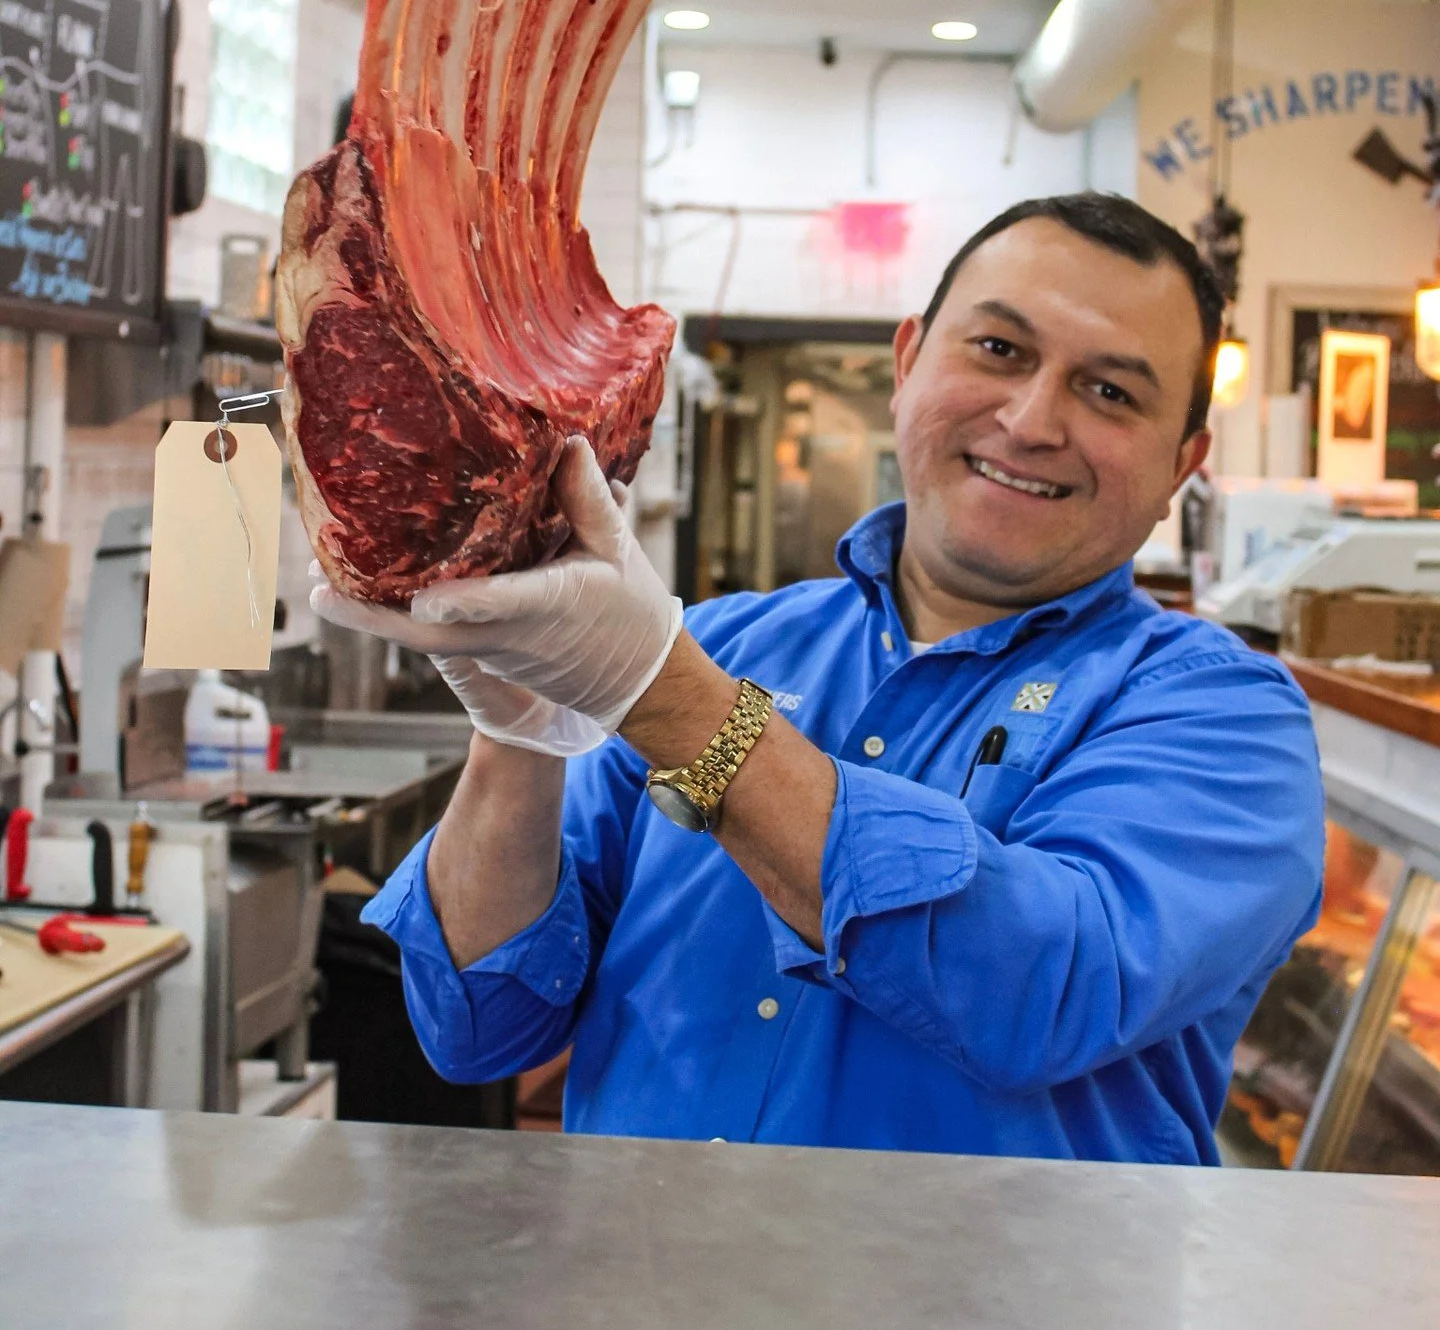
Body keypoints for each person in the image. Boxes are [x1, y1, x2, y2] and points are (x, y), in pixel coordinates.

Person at [315, 192, 1324, 1163]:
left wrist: (665, 697)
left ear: (1183, 462)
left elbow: (1045, 987)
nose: (1030, 420)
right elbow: (480, 1022)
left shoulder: (1222, 718)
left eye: (1111, 391)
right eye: (1000, 349)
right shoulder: (726, 645)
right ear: (906, 360)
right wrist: (522, 731)